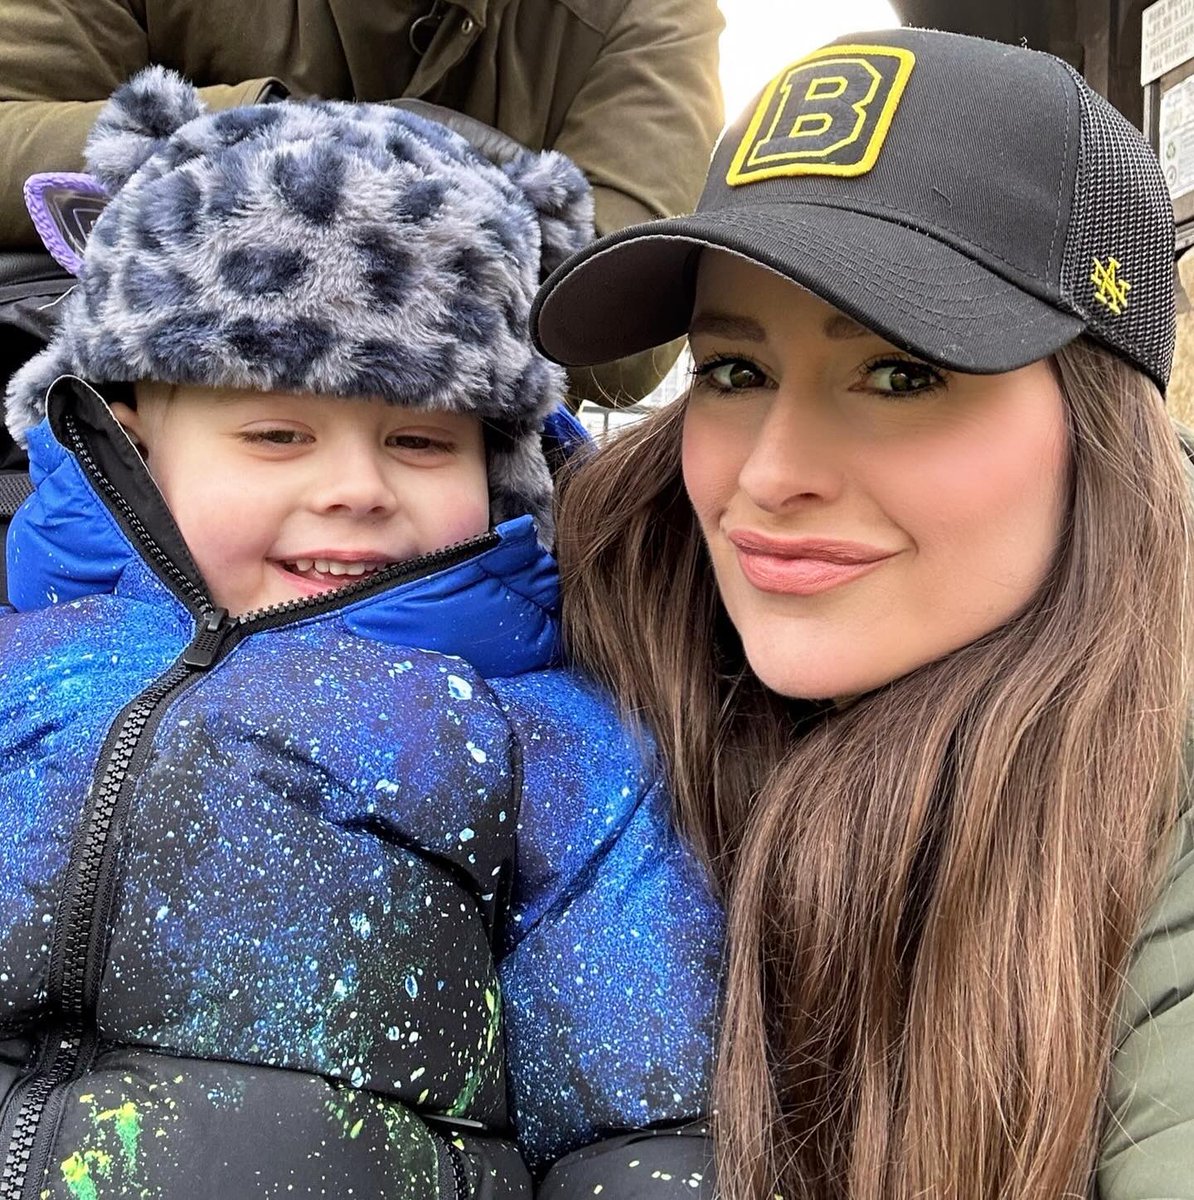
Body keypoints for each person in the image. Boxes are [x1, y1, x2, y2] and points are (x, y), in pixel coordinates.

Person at [0, 73, 722, 1198]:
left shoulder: (552, 751)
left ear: (503, 468)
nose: (357, 488)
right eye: (277, 434)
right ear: (133, 441)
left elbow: (642, 1123)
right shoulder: (24, 660)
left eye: (421, 442)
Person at [531, 26, 1194, 1200]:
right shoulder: (573, 660)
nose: (771, 474)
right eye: (734, 371)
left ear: (1099, 425)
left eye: (901, 373)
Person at [0, 0, 724, 408]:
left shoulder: (654, 14)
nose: (349, 490)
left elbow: (626, 334)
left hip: (478, 480)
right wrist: (283, 133)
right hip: (131, 443)